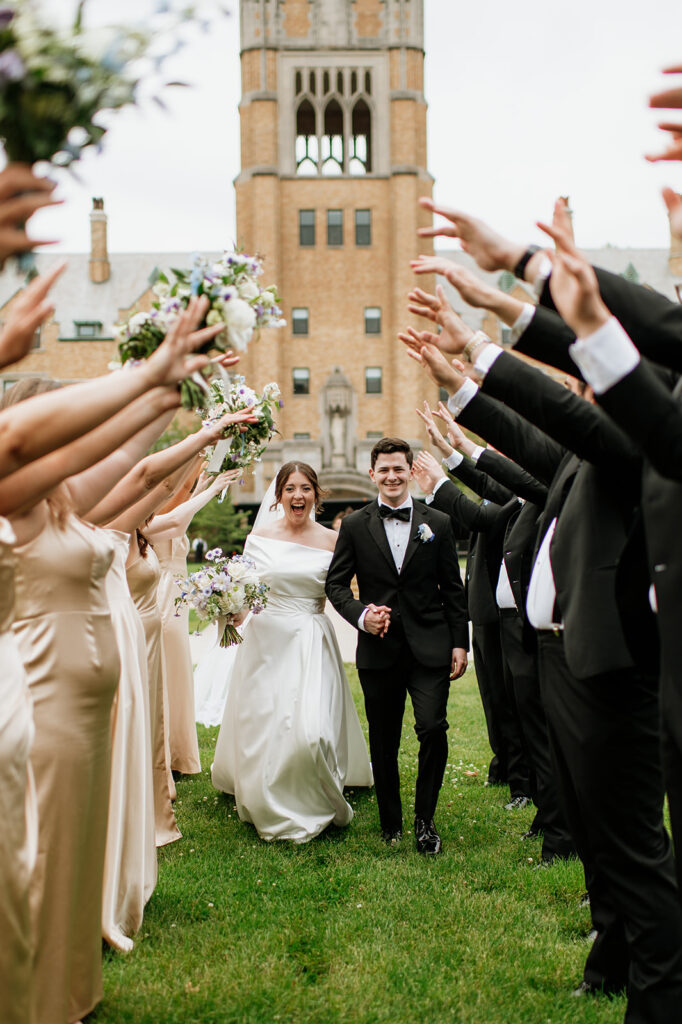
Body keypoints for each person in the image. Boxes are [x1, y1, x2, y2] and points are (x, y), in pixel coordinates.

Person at [212, 462, 373, 842]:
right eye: (290, 489)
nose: (297, 495)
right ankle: (263, 791)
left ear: (316, 495)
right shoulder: (261, 537)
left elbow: (344, 590)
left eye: (305, 488)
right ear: (279, 495)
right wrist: (232, 610)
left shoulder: (334, 540)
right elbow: (248, 590)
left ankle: (313, 790)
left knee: (311, 730)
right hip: (265, 642)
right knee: (266, 722)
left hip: (310, 639)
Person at [326, 437, 469, 854]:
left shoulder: (438, 523)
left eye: (398, 469)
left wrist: (460, 643)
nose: (391, 476)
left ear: (410, 472)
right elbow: (335, 584)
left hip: (431, 645)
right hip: (379, 649)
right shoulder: (354, 526)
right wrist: (361, 616)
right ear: (373, 475)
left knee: (432, 727)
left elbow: (453, 589)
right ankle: (391, 822)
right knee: (384, 738)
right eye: (383, 470)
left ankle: (426, 821)